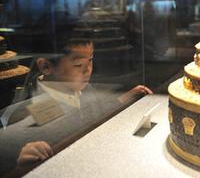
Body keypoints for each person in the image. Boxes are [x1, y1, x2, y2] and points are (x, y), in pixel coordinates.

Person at [0, 36, 153, 172]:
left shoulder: (81, 88)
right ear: (46, 66)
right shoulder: (24, 110)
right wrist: (20, 164)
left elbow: (94, 111)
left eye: (91, 60)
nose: (88, 70)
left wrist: (126, 98)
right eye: (78, 64)